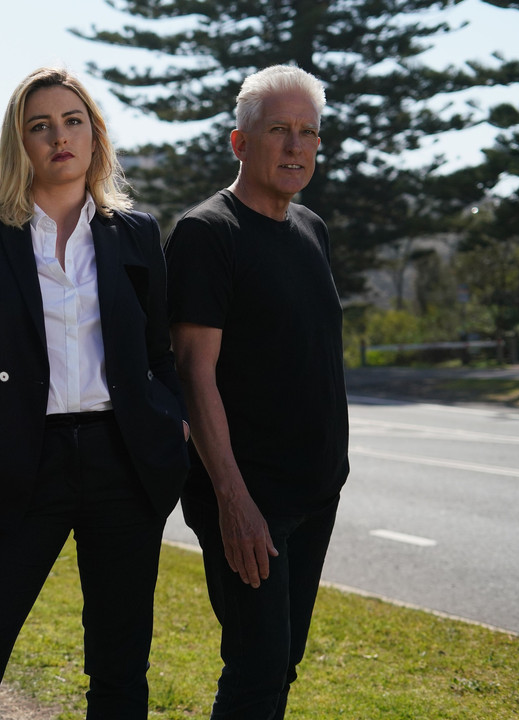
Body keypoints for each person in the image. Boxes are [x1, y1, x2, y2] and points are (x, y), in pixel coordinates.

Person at [0, 66, 190, 720]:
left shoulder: (135, 232)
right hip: (21, 465)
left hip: (124, 465)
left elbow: (158, 354)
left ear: (94, 134)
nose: (60, 137)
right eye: (41, 126)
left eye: (72, 121)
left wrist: (171, 422)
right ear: (20, 143)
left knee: (120, 674)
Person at [163, 64, 350, 719]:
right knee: (256, 670)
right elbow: (194, 374)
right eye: (278, 131)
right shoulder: (208, 233)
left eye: (309, 132)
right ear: (240, 142)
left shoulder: (311, 228)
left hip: (314, 493)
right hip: (249, 501)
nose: (296, 146)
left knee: (281, 665)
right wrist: (233, 502)